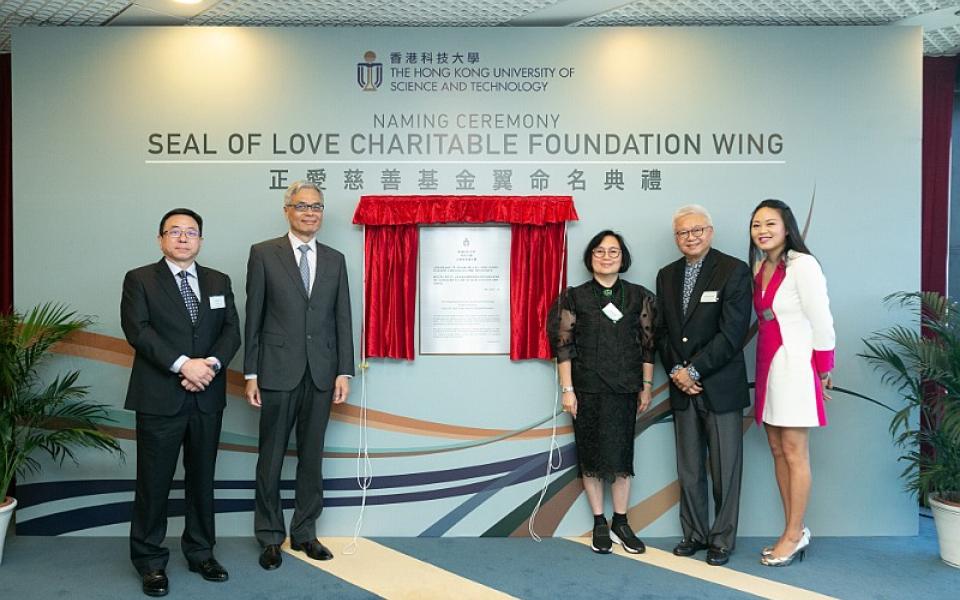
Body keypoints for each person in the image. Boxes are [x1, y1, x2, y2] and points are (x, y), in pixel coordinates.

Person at [121, 208, 241, 597]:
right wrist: (182, 365)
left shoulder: (218, 280)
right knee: (153, 483)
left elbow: (230, 331)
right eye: (175, 232)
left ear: (201, 240)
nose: (184, 238)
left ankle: (201, 551)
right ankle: (150, 562)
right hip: (159, 397)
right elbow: (137, 330)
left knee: (202, 479)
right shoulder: (140, 279)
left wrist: (208, 365)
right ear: (161, 239)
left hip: (207, 396)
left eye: (191, 232)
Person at [244, 180, 354, 570]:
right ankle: (271, 536)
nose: (311, 212)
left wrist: (344, 370)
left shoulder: (336, 259)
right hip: (275, 371)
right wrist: (251, 373)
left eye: (318, 207)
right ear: (287, 210)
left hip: (322, 374)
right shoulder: (263, 254)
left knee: (312, 458)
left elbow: (343, 318)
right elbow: (253, 316)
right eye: (303, 205)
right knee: (270, 457)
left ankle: (305, 533)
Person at [547, 230, 656, 555]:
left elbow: (649, 346)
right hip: (586, 389)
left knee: (622, 457)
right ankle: (599, 521)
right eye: (599, 251)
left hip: (625, 389)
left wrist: (646, 386)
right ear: (589, 257)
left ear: (623, 258)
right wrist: (567, 389)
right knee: (591, 456)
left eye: (613, 251)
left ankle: (621, 522)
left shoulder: (639, 296)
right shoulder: (574, 296)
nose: (606, 256)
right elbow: (563, 346)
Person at [655, 205, 752, 566]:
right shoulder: (666, 275)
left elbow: (732, 334)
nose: (690, 237)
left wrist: (693, 370)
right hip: (682, 387)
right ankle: (694, 534)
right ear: (676, 238)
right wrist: (678, 371)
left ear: (710, 232)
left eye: (697, 230)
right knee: (690, 468)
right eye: (682, 232)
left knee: (725, 469)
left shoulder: (733, 271)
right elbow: (662, 331)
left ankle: (722, 539)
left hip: (720, 385)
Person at [749, 199, 835, 567]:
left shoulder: (804, 264)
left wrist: (823, 367)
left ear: (787, 228)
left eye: (771, 223)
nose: (762, 230)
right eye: (756, 224)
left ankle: (795, 532)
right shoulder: (761, 265)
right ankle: (791, 530)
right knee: (776, 447)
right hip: (769, 364)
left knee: (795, 450)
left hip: (797, 365)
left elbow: (822, 318)